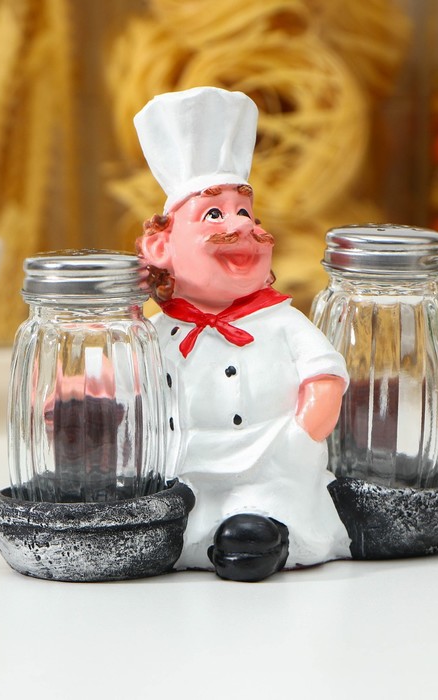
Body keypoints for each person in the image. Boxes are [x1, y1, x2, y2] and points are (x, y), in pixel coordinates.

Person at [134, 87, 351, 581]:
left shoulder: (281, 322)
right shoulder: (153, 332)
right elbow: (122, 383)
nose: (241, 227)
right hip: (179, 470)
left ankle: (259, 540)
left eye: (246, 213)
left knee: (254, 525)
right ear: (161, 247)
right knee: (174, 521)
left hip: (268, 469)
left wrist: (297, 442)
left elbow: (324, 382)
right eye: (214, 214)